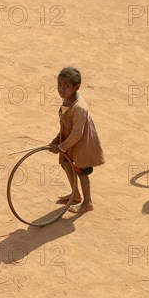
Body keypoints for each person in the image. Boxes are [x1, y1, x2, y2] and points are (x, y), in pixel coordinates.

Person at [49, 67, 104, 213]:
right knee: (66, 164)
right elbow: (66, 125)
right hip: (69, 143)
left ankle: (87, 202)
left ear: (76, 87)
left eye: (66, 86)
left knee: (81, 172)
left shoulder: (79, 108)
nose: (61, 89)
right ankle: (76, 194)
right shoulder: (66, 101)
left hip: (82, 145)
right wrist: (57, 139)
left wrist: (60, 147)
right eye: (59, 85)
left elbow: (77, 134)